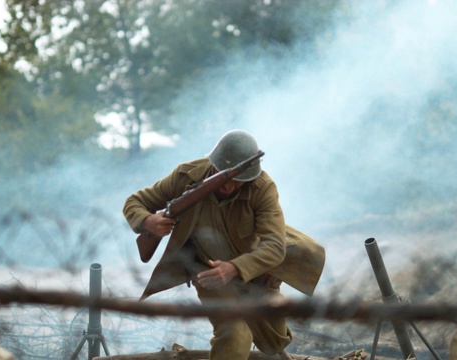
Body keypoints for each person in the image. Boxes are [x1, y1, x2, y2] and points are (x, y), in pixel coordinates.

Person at [123, 129, 325, 360]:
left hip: (253, 269)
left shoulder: (262, 188)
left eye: (238, 181)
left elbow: (274, 246)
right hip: (206, 271)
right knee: (235, 334)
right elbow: (135, 201)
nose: (229, 186)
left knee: (274, 339)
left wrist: (235, 269)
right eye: (223, 177)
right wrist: (148, 221)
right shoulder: (187, 176)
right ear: (213, 164)